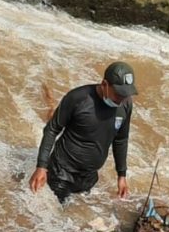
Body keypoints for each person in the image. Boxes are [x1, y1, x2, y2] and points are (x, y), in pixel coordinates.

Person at [29, 61, 137, 203]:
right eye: (118, 94)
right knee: (56, 219)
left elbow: (121, 139)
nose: (122, 99)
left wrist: (121, 176)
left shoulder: (126, 104)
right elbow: (52, 129)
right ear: (104, 84)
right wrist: (41, 166)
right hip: (62, 173)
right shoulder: (78, 98)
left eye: (126, 95)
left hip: (89, 177)